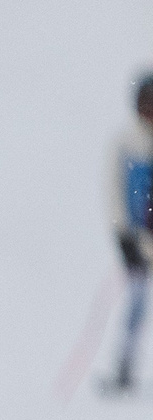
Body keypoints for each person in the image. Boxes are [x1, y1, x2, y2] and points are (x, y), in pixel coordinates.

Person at [104, 73, 153, 395]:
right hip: (137, 238)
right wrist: (122, 234)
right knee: (136, 303)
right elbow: (115, 190)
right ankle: (124, 367)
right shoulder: (125, 142)